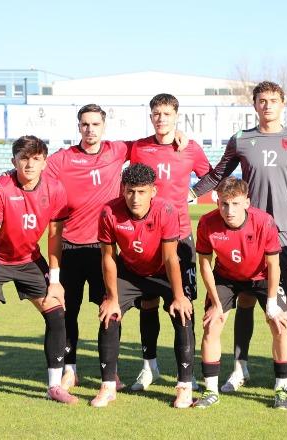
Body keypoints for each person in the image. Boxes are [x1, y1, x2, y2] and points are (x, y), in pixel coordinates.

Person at [45, 103, 188, 391]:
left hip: (105, 249)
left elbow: (153, 144)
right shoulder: (62, 159)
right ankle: (69, 370)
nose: (90, 130)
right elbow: (36, 175)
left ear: (103, 126)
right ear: (78, 127)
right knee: (66, 311)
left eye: (95, 124)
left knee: (109, 310)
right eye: (85, 124)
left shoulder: (118, 149)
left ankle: (111, 375)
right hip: (71, 246)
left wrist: (177, 134)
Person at [192, 81, 287, 392]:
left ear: (283, 102)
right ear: (254, 105)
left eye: (273, 100)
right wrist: (191, 192)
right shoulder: (242, 140)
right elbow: (219, 173)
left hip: (286, 236)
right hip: (244, 232)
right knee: (246, 301)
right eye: (261, 101)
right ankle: (241, 368)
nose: (267, 106)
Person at [0, 135, 76, 412]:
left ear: (45, 162)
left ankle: (54, 386)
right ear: (14, 161)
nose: (30, 165)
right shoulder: (1, 188)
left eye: (36, 159)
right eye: (24, 158)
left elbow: (55, 237)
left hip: (27, 259)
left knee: (57, 312)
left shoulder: (56, 189)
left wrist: (56, 282)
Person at [91, 163, 195, 408]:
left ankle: (185, 387)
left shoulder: (166, 211)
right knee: (109, 315)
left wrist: (179, 296)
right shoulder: (109, 212)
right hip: (130, 271)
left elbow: (171, 258)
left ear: (153, 191)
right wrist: (112, 297)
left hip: (162, 271)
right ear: (122, 190)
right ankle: (107, 385)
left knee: (183, 314)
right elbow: (108, 257)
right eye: (129, 191)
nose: (135, 198)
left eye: (141, 192)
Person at [127, 93, 212, 392]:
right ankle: (149, 367)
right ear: (151, 117)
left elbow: (211, 176)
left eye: (166, 113)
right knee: (147, 303)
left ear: (177, 116)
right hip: (146, 236)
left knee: (182, 306)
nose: (161, 118)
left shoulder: (190, 149)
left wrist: (193, 193)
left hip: (179, 234)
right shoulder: (138, 147)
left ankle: (184, 379)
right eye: (156, 114)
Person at [194, 177, 287, 409]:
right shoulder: (207, 223)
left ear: (247, 202)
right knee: (211, 324)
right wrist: (216, 304)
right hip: (226, 277)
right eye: (224, 204)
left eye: (235, 204)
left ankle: (281, 391)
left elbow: (274, 265)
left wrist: (271, 302)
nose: (229, 210)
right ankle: (210, 390)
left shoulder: (264, 222)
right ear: (218, 202)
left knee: (279, 324)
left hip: (262, 277)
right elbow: (205, 264)